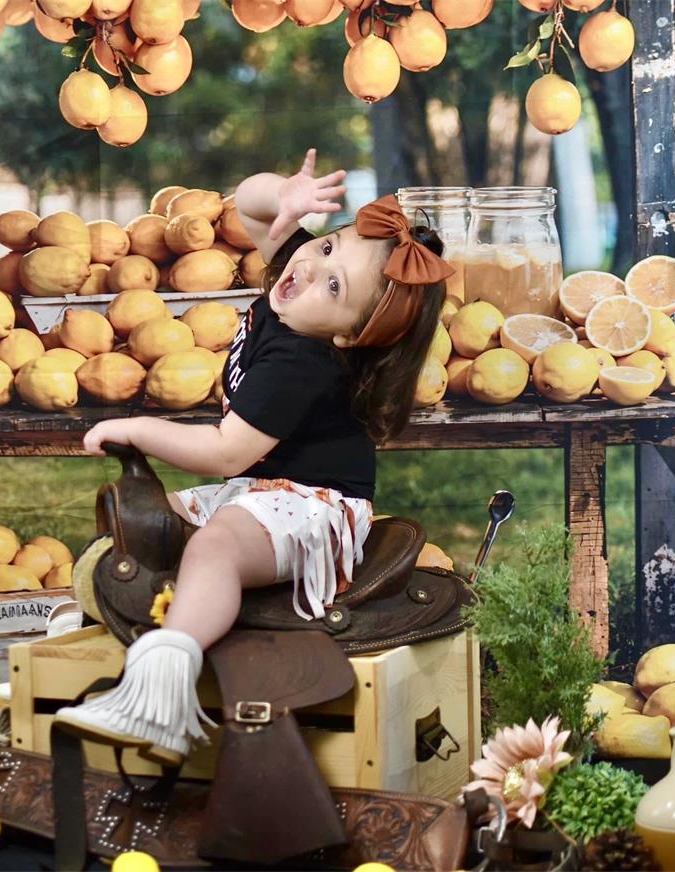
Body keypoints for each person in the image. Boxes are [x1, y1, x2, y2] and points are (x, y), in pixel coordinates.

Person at [54, 148, 454, 766]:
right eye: (324, 247)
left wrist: (137, 427)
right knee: (151, 526)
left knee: (215, 545)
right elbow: (247, 204)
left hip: (312, 503)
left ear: (347, 334)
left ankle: (163, 689)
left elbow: (224, 452)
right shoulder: (296, 289)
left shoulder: (301, 360)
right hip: (264, 487)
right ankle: (94, 634)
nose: (308, 265)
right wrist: (284, 195)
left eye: (335, 283)